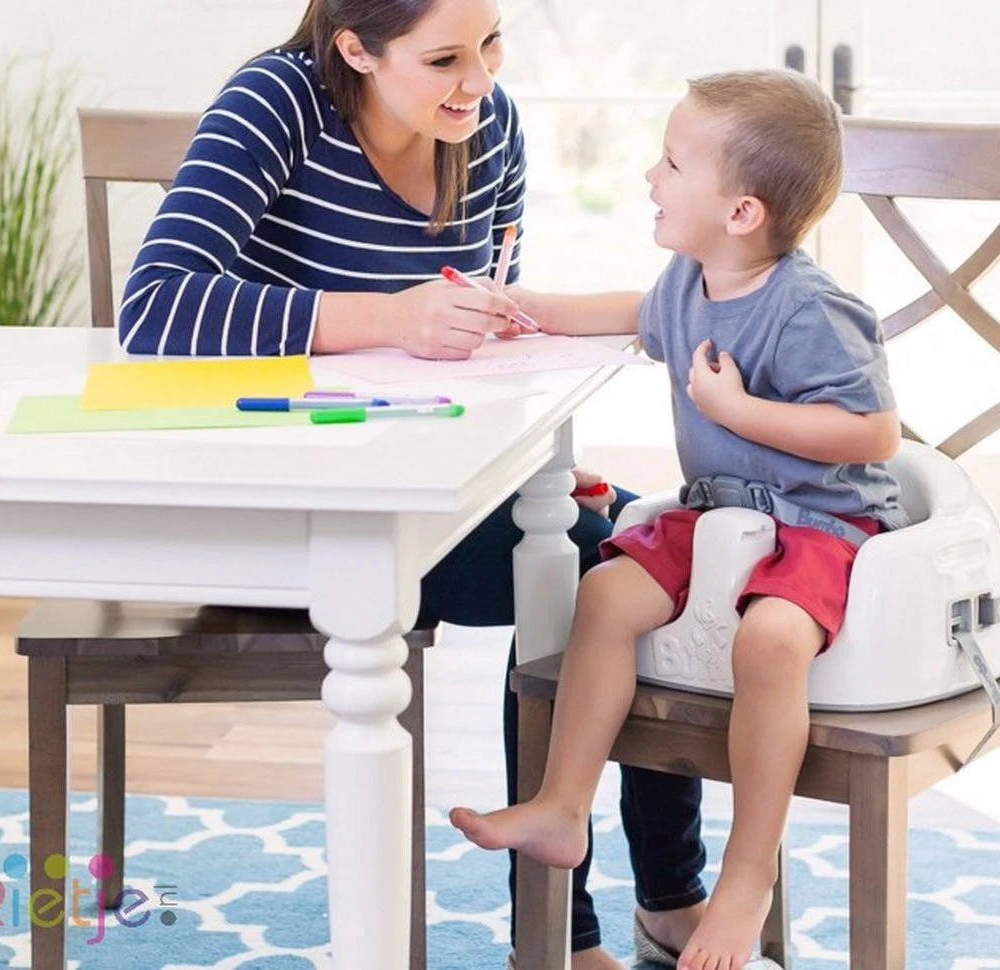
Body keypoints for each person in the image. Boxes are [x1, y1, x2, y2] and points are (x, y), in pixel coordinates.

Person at [118, 1, 709, 965]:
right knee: (595, 573)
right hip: (287, 516)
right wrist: (386, 317)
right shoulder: (278, 101)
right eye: (443, 59)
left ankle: (659, 901)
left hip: (421, 493)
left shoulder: (488, 125)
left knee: (629, 560)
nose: (479, 80)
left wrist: (532, 466)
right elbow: (155, 308)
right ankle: (564, 935)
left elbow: (476, 341)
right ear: (356, 48)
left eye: (491, 43)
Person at [449, 68, 909, 970]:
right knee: (604, 593)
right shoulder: (689, 279)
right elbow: (634, 312)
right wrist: (531, 311)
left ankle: (745, 879)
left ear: (741, 212)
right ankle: (562, 807)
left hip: (820, 525)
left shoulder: (811, 309)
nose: (649, 177)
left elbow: (874, 433)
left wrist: (740, 413)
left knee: (768, 643)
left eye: (670, 164)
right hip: (720, 513)